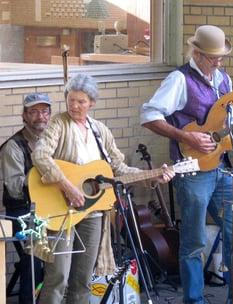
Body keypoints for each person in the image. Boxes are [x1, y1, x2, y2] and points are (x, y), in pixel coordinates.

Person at [31, 74, 174, 304]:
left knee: (83, 278)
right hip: (61, 210)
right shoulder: (59, 123)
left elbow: (118, 169)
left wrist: (154, 175)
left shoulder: (100, 131)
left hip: (94, 213)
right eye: (71, 100)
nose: (74, 105)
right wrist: (67, 187)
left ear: (92, 103)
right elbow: (40, 155)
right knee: (57, 276)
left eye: (81, 101)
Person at [140, 25, 233, 304]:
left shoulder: (224, 80)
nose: (218, 62)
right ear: (196, 53)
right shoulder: (179, 79)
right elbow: (148, 114)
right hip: (191, 171)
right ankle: (194, 300)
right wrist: (184, 135)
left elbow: (226, 128)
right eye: (212, 57)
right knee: (193, 242)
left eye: (220, 57)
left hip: (222, 168)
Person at [0, 93, 51, 303]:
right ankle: (29, 300)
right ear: (24, 115)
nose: (40, 116)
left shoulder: (52, 141)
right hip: (22, 213)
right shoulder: (14, 146)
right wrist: (46, 179)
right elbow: (14, 189)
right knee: (37, 251)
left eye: (44, 111)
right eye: (34, 112)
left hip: (50, 210)